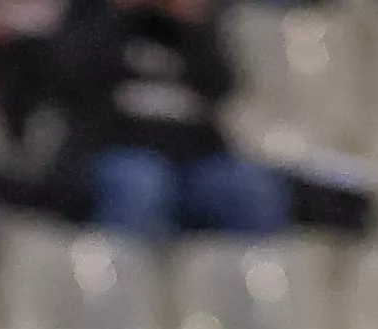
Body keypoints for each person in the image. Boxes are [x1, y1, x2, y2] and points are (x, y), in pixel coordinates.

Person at [42, 0, 287, 240]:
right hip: (113, 150)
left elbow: (222, 85)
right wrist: (119, 12)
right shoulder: (90, 14)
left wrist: (191, 22)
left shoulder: (190, 28)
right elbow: (69, 73)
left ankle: (244, 279)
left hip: (192, 157)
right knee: (141, 183)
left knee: (250, 187)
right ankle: (120, 276)